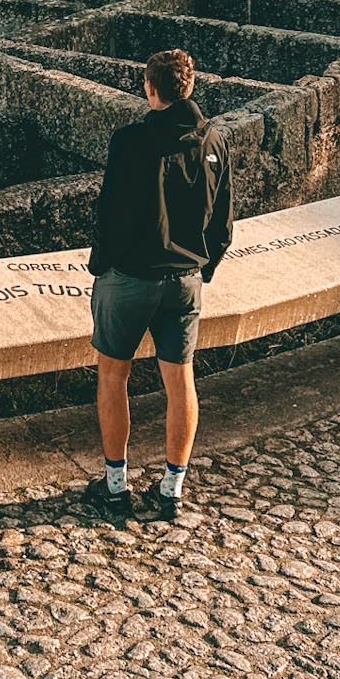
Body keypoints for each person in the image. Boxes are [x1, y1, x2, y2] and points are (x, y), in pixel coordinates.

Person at [83, 48, 233, 523]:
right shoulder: (216, 141)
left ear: (150, 88)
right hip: (185, 281)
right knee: (180, 381)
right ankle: (171, 489)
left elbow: (111, 213)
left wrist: (104, 264)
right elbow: (223, 220)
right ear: (188, 88)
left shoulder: (129, 140)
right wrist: (201, 269)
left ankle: (115, 487)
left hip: (130, 277)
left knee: (113, 375)